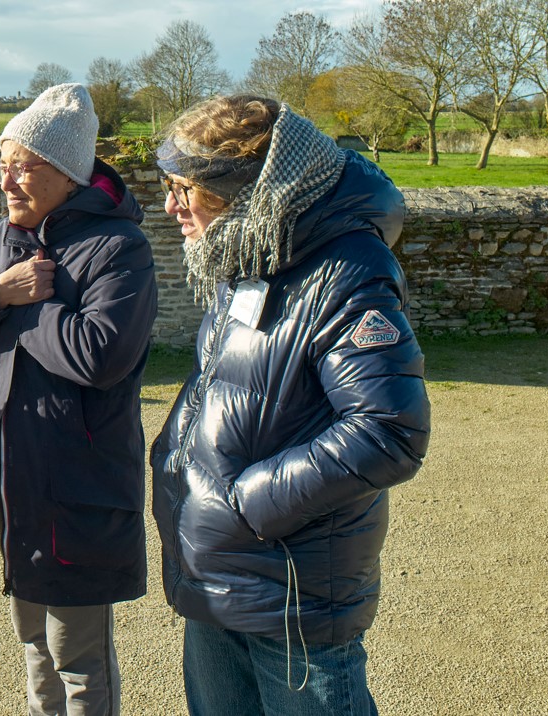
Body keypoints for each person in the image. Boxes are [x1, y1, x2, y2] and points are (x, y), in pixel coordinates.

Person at [149, 95, 431, 715]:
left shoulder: (346, 269)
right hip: (219, 568)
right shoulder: (250, 249)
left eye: (183, 189)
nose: (170, 206)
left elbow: (390, 430)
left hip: (288, 586)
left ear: (243, 190)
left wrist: (245, 504)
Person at [0, 83, 158, 715]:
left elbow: (98, 357)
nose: (6, 181)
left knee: (78, 660)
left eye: (23, 167)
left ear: (67, 173)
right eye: (2, 165)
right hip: (11, 482)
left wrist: (27, 308)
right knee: (34, 644)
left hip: (76, 491)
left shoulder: (120, 249)